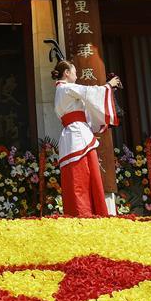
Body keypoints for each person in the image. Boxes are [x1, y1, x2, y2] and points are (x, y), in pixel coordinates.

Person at [50, 40, 121, 217]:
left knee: (78, 177)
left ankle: (81, 211)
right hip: (78, 135)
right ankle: (86, 212)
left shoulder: (61, 90)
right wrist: (108, 86)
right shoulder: (66, 89)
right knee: (83, 176)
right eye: (74, 72)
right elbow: (90, 93)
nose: (76, 75)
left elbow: (85, 104)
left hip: (72, 135)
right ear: (66, 73)